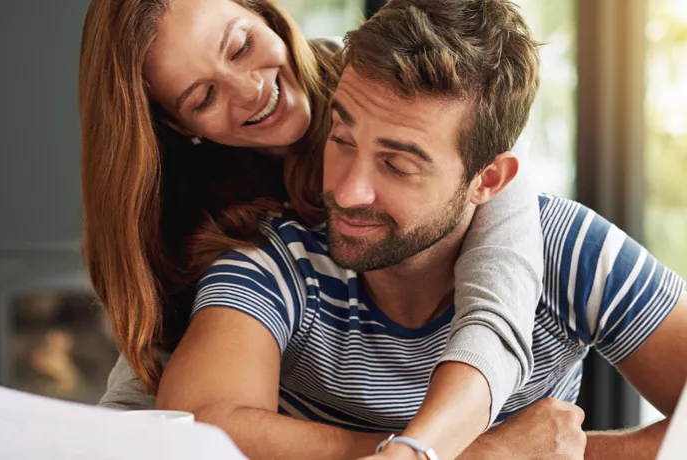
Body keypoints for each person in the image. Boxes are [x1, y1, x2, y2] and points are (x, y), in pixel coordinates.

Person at [0, 0, 541, 458]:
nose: (252, 91)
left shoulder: (391, 89)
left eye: (241, 45)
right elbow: (157, 401)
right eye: (202, 97)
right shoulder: (193, 227)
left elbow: (501, 301)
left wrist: (428, 449)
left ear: (264, 12)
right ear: (176, 125)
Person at [153, 1, 687, 459]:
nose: (346, 189)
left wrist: (573, 451)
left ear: (489, 179)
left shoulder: (567, 249)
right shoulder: (274, 262)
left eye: (398, 165)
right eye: (341, 139)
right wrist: (482, 454)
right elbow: (194, 428)